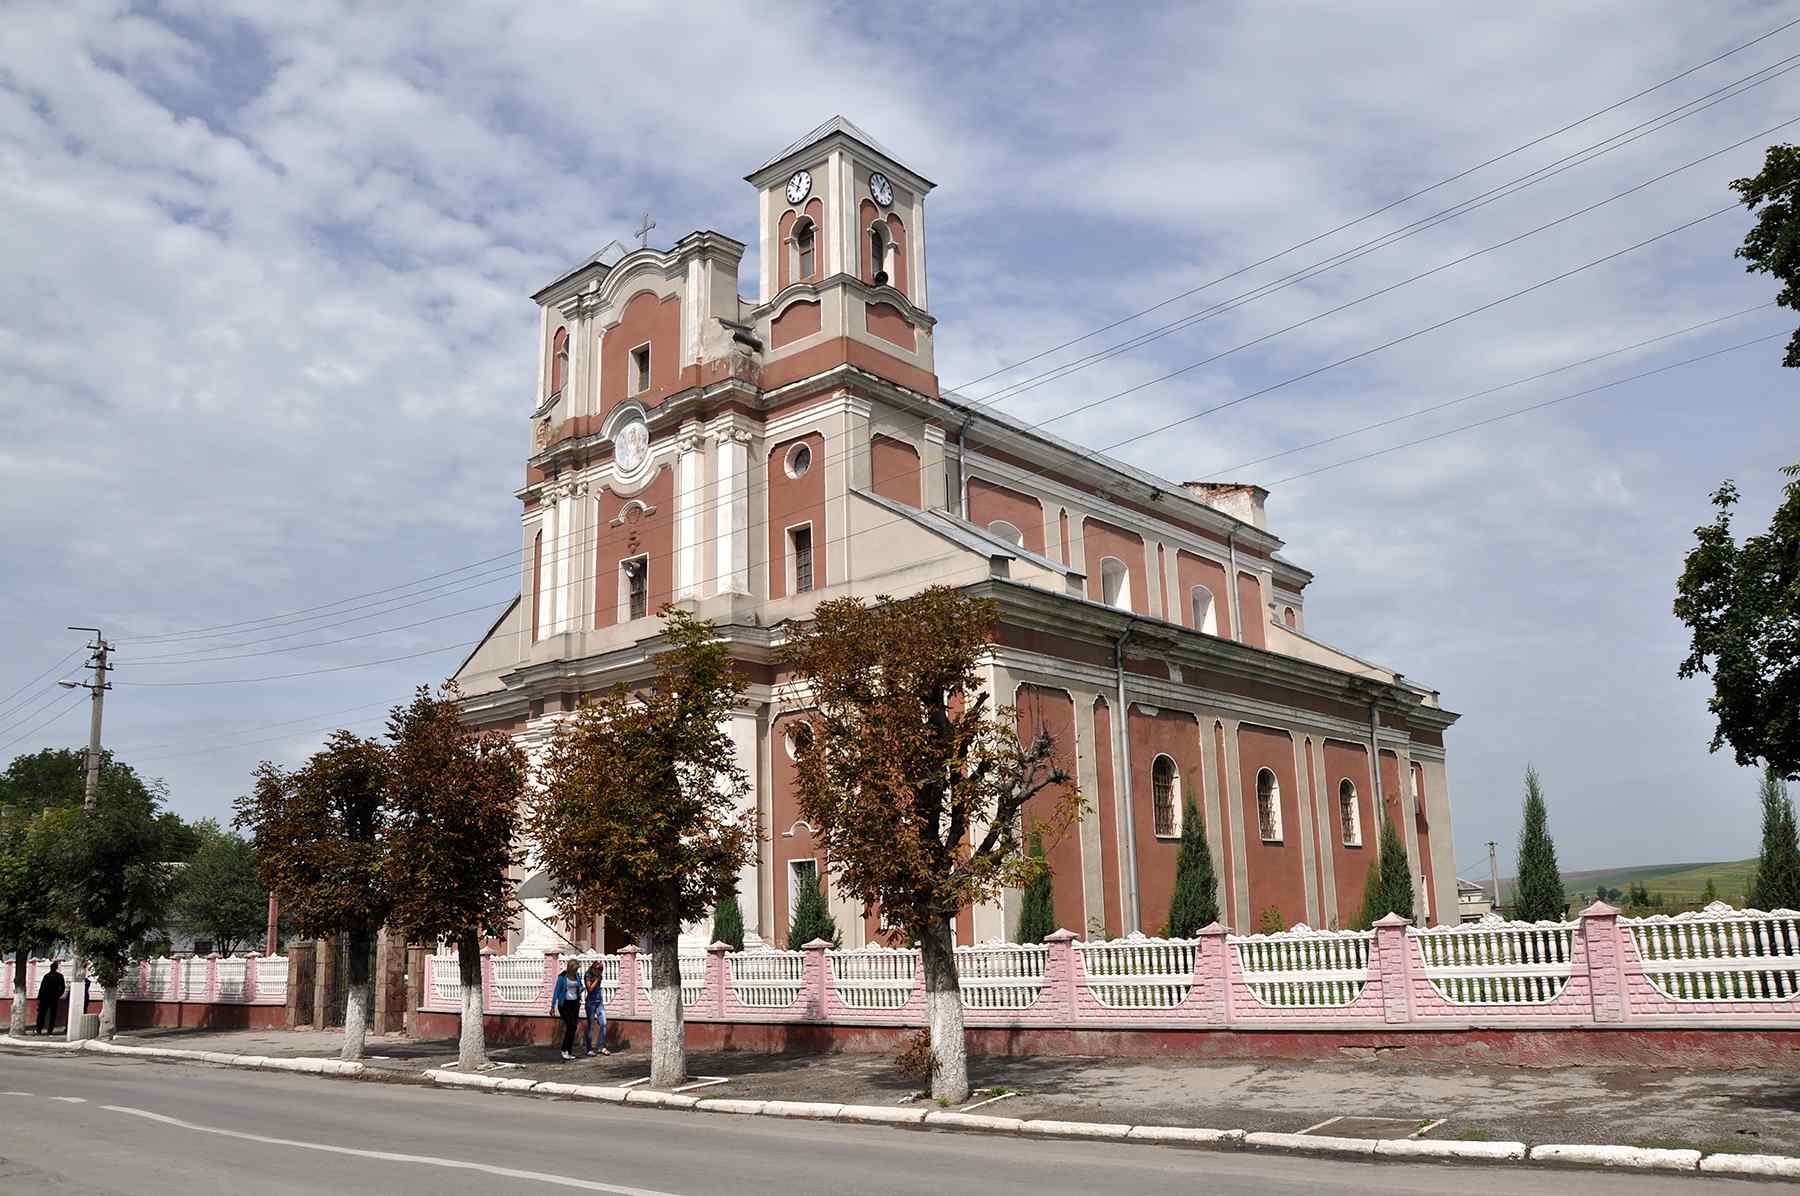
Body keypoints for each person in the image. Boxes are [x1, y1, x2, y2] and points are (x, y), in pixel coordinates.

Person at [550, 959, 582, 1060]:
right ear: (570, 968)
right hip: (564, 1004)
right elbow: (556, 992)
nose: (576, 971)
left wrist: (581, 989)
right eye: (575, 969)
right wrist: (552, 1006)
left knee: (573, 1027)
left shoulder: (577, 976)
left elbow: (580, 986)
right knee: (570, 1025)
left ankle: (568, 1051)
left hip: (575, 1003)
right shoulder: (562, 977)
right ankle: (564, 1050)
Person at [581, 960, 609, 1057]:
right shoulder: (588, 975)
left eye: (602, 969)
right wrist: (597, 979)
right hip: (591, 1003)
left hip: (599, 1002)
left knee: (603, 1023)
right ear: (594, 968)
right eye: (599, 969)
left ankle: (601, 1046)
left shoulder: (599, 975)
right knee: (591, 1025)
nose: (601, 971)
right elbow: (589, 989)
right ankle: (589, 1048)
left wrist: (599, 977)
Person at [34, 961, 65, 1035]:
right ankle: (48, 1030)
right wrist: (58, 994)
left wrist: (39, 998)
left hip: (46, 998)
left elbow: (42, 988)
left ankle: (40, 1029)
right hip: (51, 998)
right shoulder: (57, 976)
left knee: (43, 1014)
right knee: (50, 1015)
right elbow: (62, 988)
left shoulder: (48, 976)